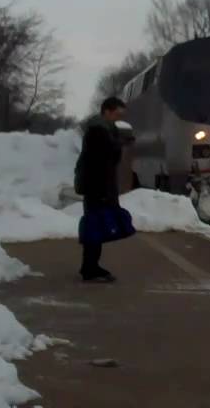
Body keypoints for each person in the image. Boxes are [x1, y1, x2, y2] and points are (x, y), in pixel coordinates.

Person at [76, 96, 133, 282]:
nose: (118, 119)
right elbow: (100, 160)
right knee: (95, 225)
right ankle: (89, 269)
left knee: (98, 226)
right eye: (117, 114)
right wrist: (120, 144)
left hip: (100, 185)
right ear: (107, 111)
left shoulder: (106, 129)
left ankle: (90, 266)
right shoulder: (97, 131)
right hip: (96, 186)